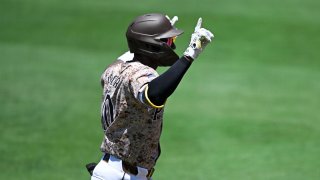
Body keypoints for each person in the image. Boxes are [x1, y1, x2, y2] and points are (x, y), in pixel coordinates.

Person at [90, 13, 214, 180]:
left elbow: (131, 62)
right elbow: (153, 95)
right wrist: (189, 55)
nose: (171, 46)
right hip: (124, 174)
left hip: (112, 169)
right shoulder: (140, 74)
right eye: (168, 41)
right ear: (151, 46)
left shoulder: (114, 69)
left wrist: (154, 33)